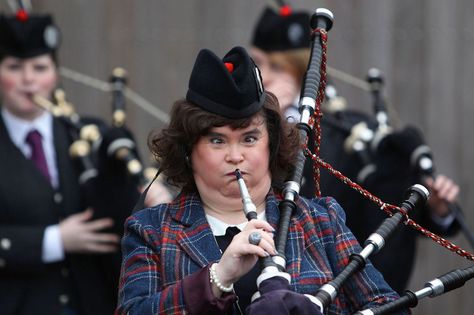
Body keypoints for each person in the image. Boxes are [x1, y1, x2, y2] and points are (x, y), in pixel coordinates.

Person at [116, 46, 407, 315]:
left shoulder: (320, 221)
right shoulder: (152, 230)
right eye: (217, 140)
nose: (235, 156)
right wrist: (218, 278)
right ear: (189, 151)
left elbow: (389, 305)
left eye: (250, 139)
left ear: (272, 146)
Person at [250, 5, 461, 293]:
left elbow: (383, 209)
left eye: (277, 67)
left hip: (338, 286)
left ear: (303, 75)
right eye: (257, 63)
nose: (264, 75)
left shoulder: (351, 132)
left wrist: (435, 208)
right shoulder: (243, 130)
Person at [0, 10, 139, 314]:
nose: (28, 80)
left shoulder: (89, 134)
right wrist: (54, 240)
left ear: (55, 75)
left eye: (39, 67)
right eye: (14, 66)